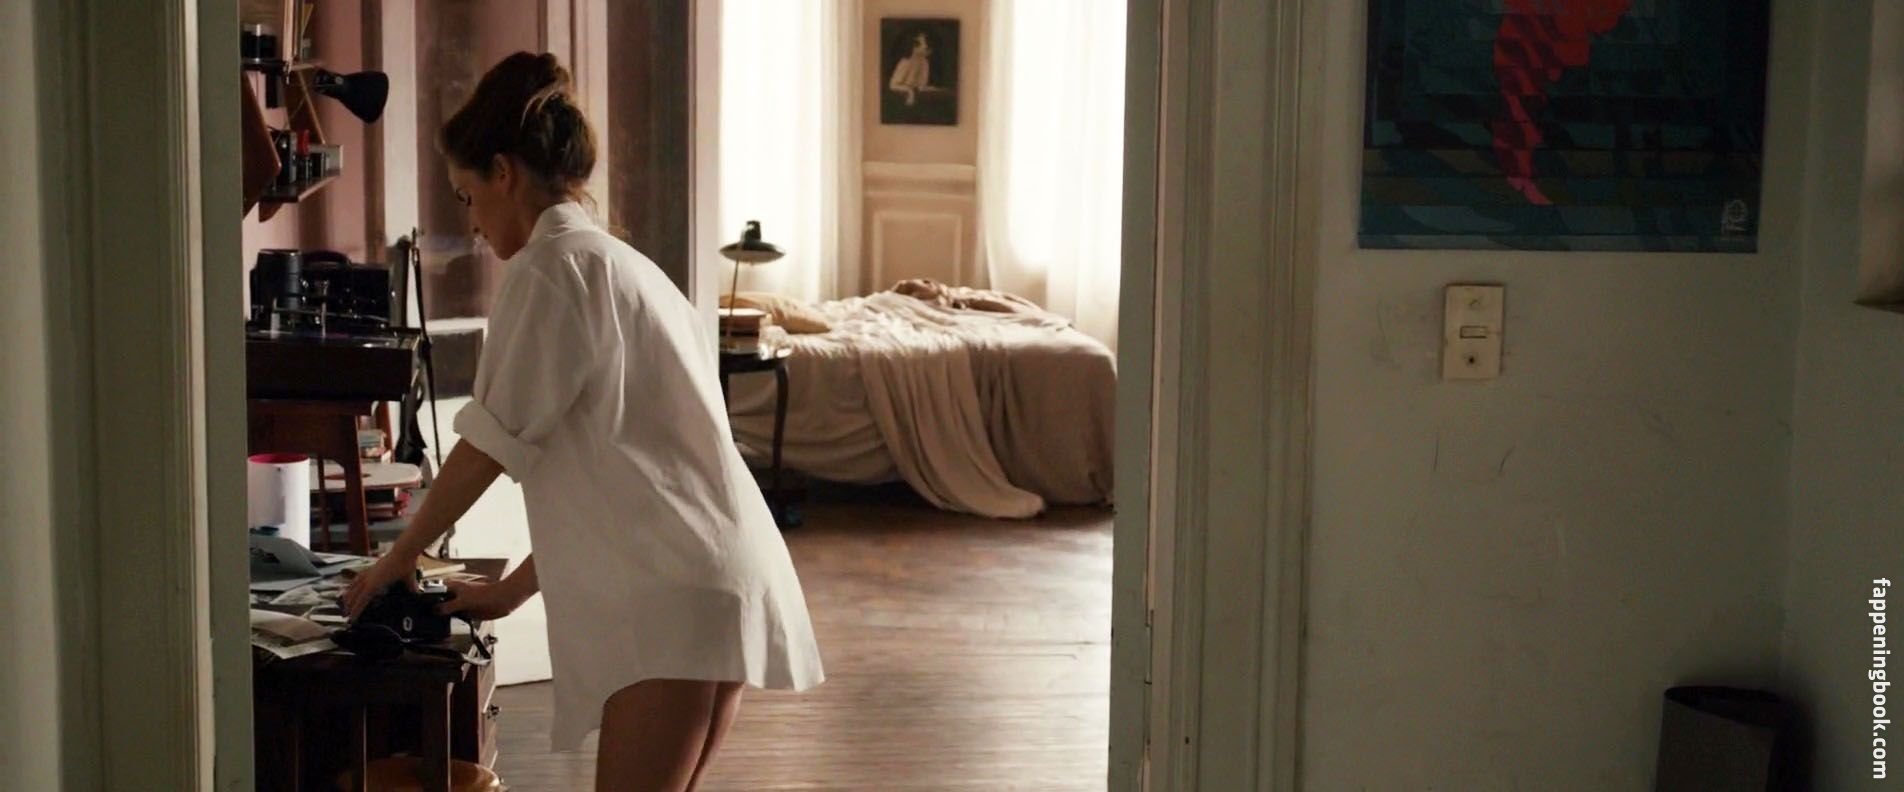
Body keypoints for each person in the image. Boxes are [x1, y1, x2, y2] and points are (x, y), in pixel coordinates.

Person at [341, 51, 824, 792]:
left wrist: (397, 557)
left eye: (468, 197)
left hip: (672, 596)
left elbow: (488, 444)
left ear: (504, 173)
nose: (472, 224)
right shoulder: (626, 267)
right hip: (721, 578)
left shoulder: (549, 268)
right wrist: (508, 592)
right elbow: (624, 475)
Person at [888, 31, 933, 106]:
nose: (926, 47)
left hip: (918, 97)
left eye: (925, 43)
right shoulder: (905, 62)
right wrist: (910, 91)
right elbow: (893, 85)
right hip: (901, 98)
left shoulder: (925, 63)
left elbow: (921, 86)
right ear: (914, 47)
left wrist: (929, 88)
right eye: (923, 43)